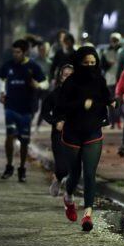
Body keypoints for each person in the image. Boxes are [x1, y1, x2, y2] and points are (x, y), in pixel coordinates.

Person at [56, 46, 112, 232]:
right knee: (75, 173)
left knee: (89, 173)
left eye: (93, 63)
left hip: (93, 132)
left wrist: (112, 102)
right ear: (79, 63)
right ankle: (68, 196)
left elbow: (106, 97)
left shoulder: (99, 80)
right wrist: (81, 103)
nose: (90, 66)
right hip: (72, 133)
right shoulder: (70, 83)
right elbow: (61, 106)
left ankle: (88, 214)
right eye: (86, 63)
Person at [0, 39, 48, 181]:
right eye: (13, 52)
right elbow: (1, 79)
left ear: (25, 52)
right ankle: (9, 166)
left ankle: (22, 168)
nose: (15, 54)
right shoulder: (8, 66)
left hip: (26, 109)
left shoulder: (33, 66)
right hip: (10, 106)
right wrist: (2, 93)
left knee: (24, 140)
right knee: (10, 135)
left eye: (18, 52)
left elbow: (45, 83)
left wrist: (37, 84)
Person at [41, 64, 74, 196]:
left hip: (75, 133)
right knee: (61, 165)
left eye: (71, 76)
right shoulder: (54, 94)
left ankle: (64, 181)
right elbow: (45, 112)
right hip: (58, 133)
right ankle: (58, 177)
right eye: (66, 75)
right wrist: (55, 122)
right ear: (61, 77)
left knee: (73, 163)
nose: (68, 78)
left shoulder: (81, 95)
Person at [101, 32, 122, 129]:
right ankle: (111, 122)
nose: (114, 42)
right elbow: (102, 66)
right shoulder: (106, 51)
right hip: (109, 79)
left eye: (116, 40)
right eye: (113, 40)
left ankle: (118, 121)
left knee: (118, 102)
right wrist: (108, 64)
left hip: (120, 81)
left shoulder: (122, 51)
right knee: (110, 102)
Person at [34, 41, 53, 129]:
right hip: (36, 87)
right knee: (34, 107)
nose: (43, 51)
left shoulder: (50, 62)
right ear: (38, 50)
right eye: (41, 49)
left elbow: (52, 76)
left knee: (44, 108)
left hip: (46, 88)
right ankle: (30, 121)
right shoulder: (34, 62)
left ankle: (37, 126)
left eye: (44, 49)